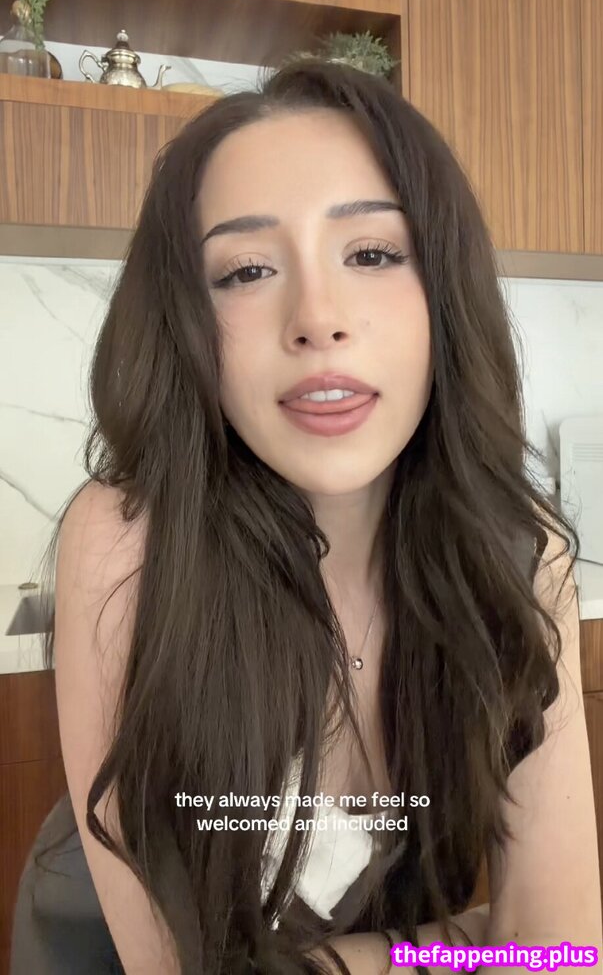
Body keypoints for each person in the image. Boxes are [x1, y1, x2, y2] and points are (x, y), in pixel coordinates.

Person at [10, 57, 602, 975]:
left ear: (443, 291)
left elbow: (560, 950)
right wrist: (454, 946)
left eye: (371, 254)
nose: (317, 318)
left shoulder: (523, 560)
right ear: (185, 326)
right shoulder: (129, 538)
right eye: (245, 270)